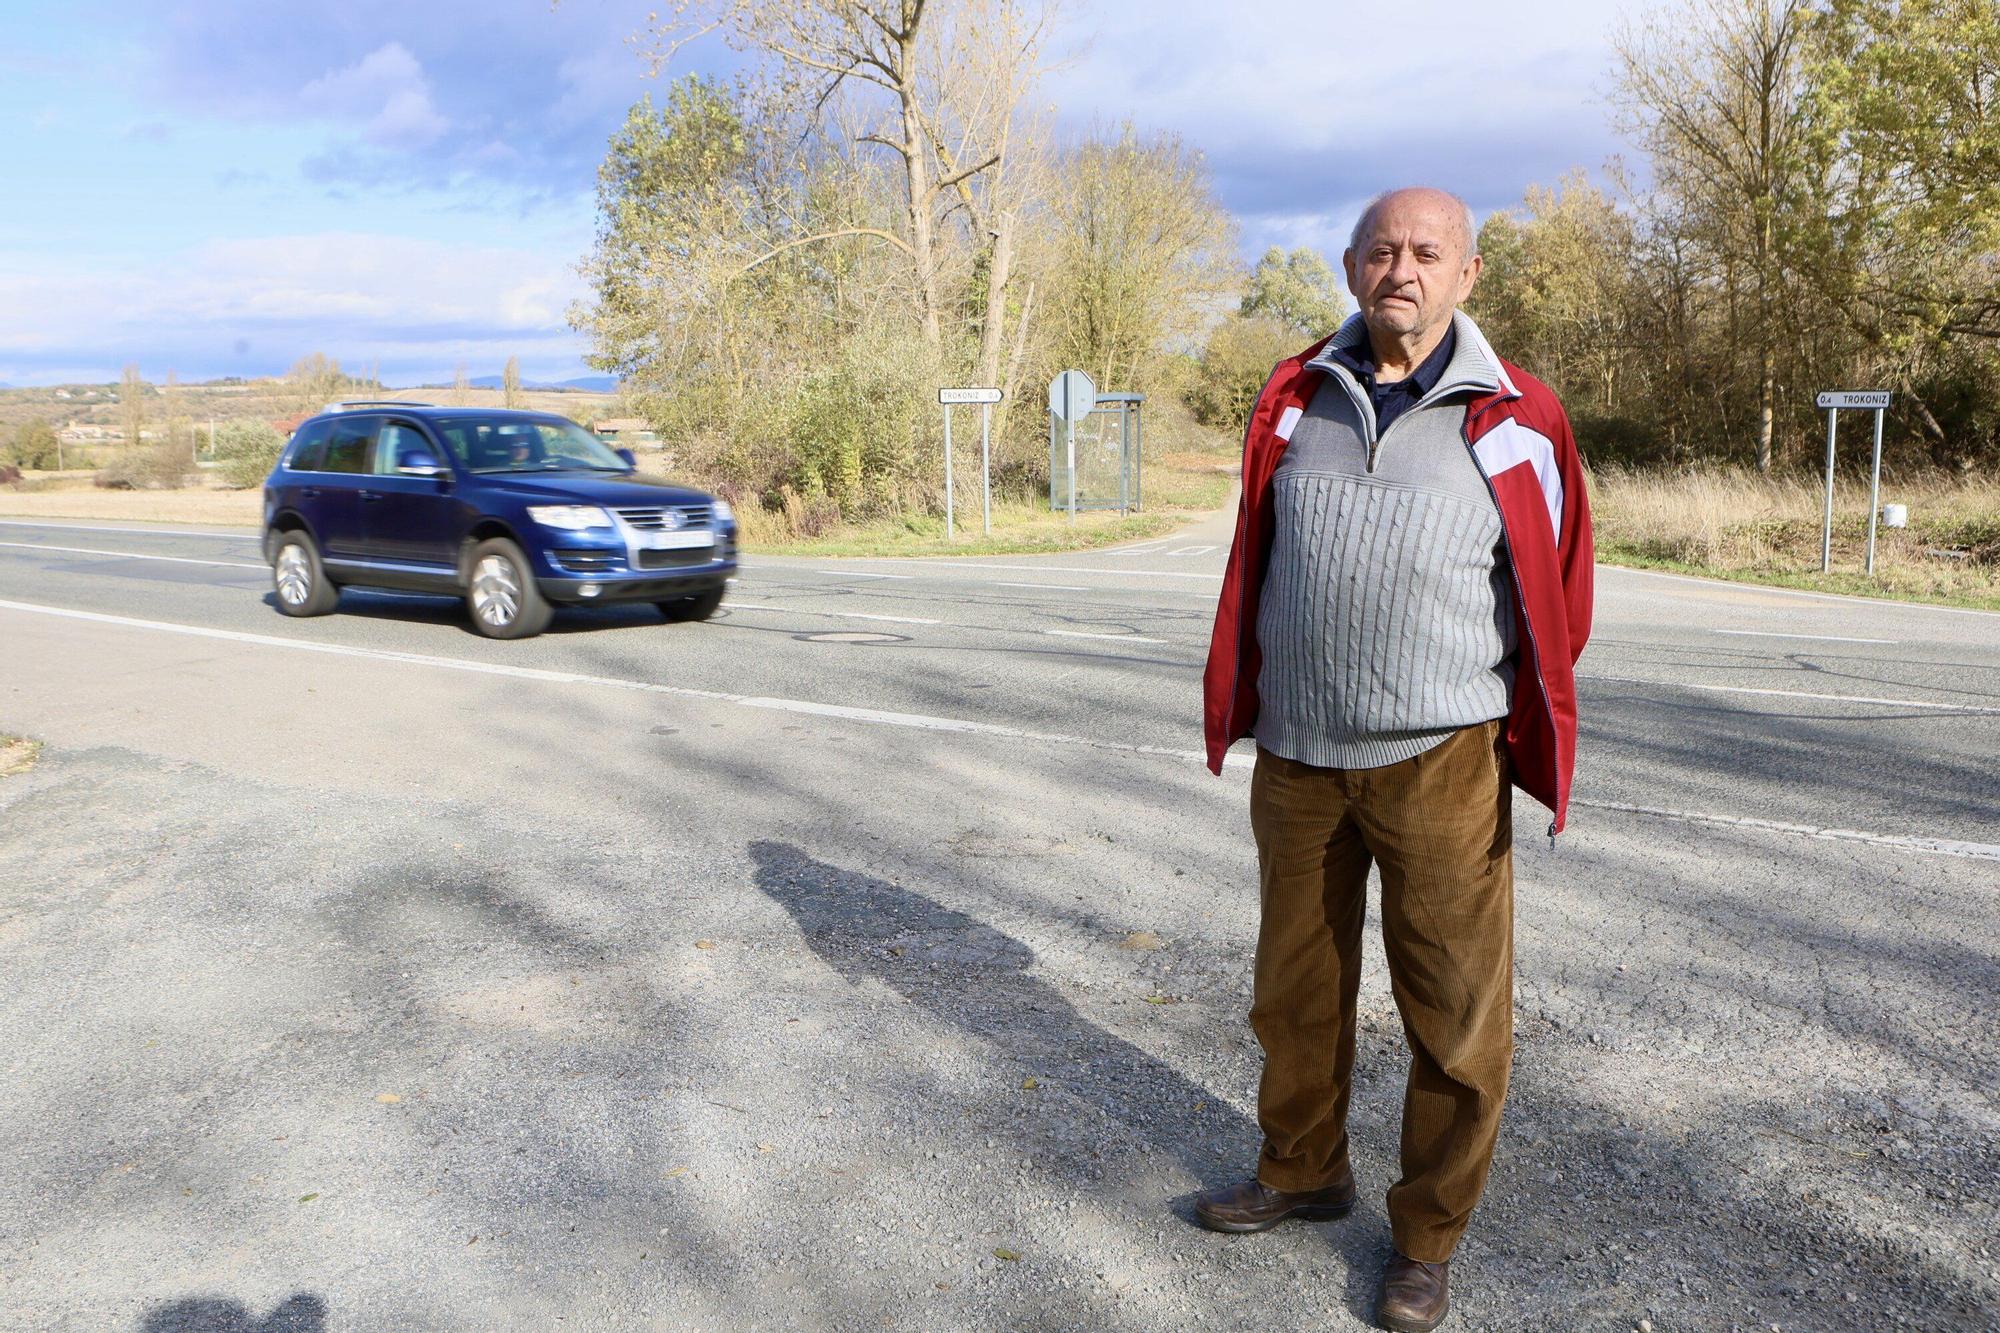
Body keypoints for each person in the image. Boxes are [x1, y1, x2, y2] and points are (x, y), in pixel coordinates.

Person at [1197, 186, 1594, 1332]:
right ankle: (1299, 1169)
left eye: (1425, 251)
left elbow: (1559, 594)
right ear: (1349, 266)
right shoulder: (1293, 395)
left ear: (1466, 275)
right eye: (1381, 250)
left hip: (1441, 759)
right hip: (1299, 756)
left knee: (1454, 1014)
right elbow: (1257, 553)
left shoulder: (1520, 417)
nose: (1400, 269)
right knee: (1292, 992)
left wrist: (1487, 702)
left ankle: (1425, 1238)